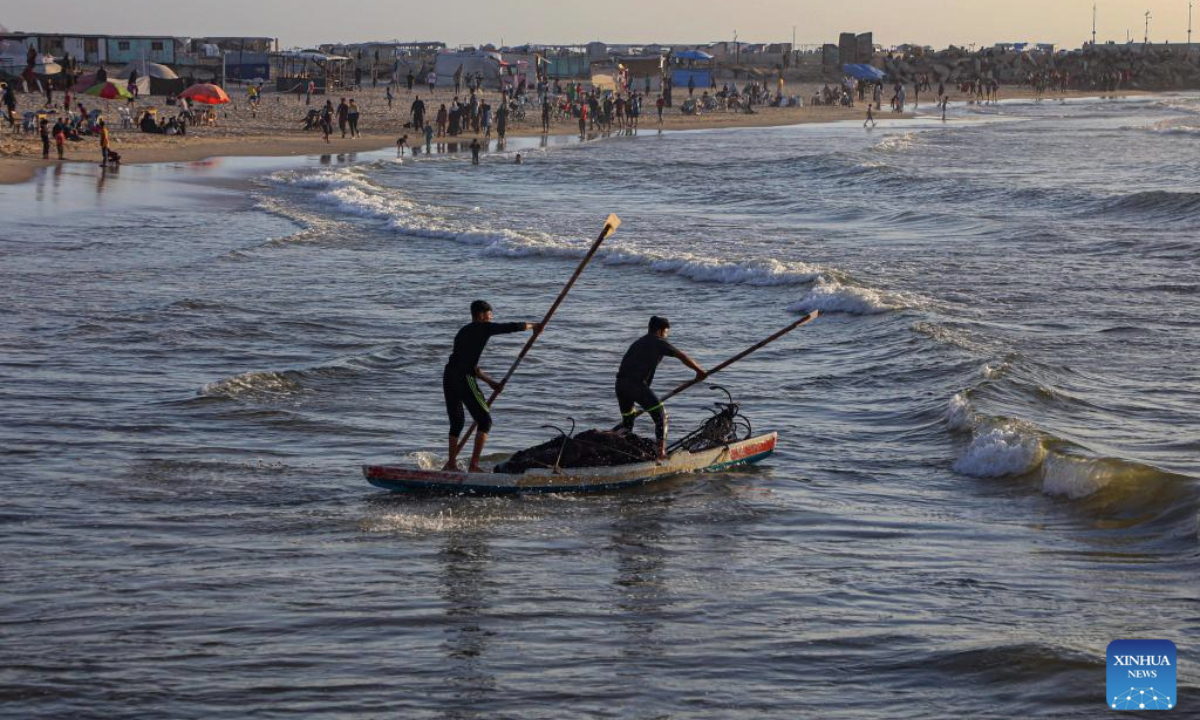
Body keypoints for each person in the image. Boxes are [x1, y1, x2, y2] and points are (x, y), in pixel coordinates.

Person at [442, 300, 540, 472]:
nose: (491, 318)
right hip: (463, 378)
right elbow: (510, 327)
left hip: (449, 376)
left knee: (457, 422)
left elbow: (469, 364)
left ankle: (451, 464)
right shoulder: (483, 328)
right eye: (490, 315)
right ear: (480, 315)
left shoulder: (462, 332)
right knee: (485, 421)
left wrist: (491, 383)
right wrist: (534, 326)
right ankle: (473, 466)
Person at [616, 316, 705, 459]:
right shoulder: (658, 341)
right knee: (661, 416)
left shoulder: (638, 342)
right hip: (636, 385)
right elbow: (682, 356)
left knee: (628, 421)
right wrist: (699, 371)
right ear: (660, 331)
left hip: (620, 385)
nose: (667, 335)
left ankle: (618, 448)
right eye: (666, 332)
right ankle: (661, 453)